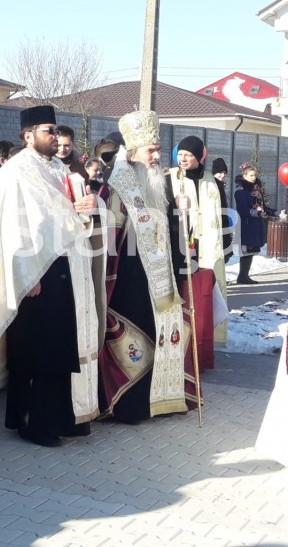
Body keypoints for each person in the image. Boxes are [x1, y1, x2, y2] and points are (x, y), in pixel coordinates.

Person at [0, 105, 99, 447]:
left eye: (56, 130)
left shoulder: (58, 168)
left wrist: (86, 211)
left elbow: (68, 217)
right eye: (48, 130)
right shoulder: (15, 171)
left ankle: (60, 419)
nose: (55, 136)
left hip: (63, 266)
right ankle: (33, 423)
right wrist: (28, 275)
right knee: (37, 350)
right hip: (34, 272)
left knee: (58, 348)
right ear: (28, 135)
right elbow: (14, 226)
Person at [97, 110, 196, 424]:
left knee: (161, 336)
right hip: (128, 280)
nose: (156, 156)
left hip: (159, 278)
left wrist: (180, 215)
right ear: (132, 154)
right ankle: (130, 406)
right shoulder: (116, 185)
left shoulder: (158, 183)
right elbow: (108, 234)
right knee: (134, 341)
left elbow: (166, 229)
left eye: (158, 149)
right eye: (150, 150)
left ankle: (160, 399)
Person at [165, 136, 230, 370]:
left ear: (199, 157)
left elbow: (223, 214)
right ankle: (181, 347)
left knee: (206, 299)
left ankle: (203, 349)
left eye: (189, 155)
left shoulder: (213, 182)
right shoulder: (170, 178)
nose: (183, 159)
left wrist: (226, 242)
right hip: (181, 247)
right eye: (180, 154)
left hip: (209, 248)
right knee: (186, 297)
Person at [234, 162, 275, 284]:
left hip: (255, 223)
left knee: (251, 251)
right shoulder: (241, 191)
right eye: (251, 175)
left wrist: (272, 212)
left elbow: (262, 206)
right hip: (246, 224)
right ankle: (242, 276)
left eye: (255, 175)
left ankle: (245, 275)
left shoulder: (256, 190)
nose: (254, 177)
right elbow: (243, 209)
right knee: (247, 250)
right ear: (244, 176)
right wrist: (257, 213)